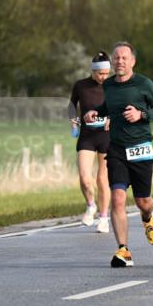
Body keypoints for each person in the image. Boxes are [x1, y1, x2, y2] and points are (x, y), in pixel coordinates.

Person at [83, 42, 153, 266]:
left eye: (124, 58)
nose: (119, 61)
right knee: (118, 198)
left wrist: (141, 114)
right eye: (116, 58)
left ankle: (148, 217)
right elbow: (108, 107)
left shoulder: (144, 84)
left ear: (132, 62)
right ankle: (123, 250)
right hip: (117, 148)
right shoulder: (109, 85)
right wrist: (95, 112)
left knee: (143, 201)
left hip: (140, 148)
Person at [69, 52, 112, 234]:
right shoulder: (81, 86)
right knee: (85, 179)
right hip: (86, 136)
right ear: (93, 71)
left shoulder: (113, 86)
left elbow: (120, 106)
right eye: (100, 73)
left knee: (102, 180)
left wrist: (112, 118)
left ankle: (103, 218)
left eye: (106, 73)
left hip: (106, 136)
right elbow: (71, 105)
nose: (103, 77)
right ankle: (91, 205)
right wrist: (72, 119)